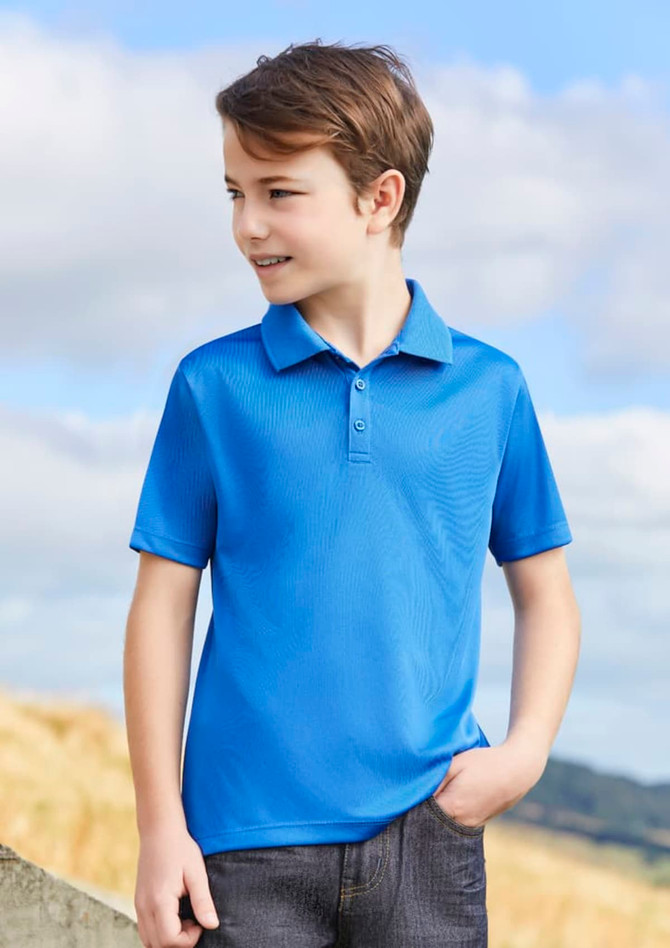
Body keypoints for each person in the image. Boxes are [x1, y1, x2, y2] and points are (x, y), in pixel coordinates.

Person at [124, 39, 581, 948]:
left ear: (381, 199)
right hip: (240, 850)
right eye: (234, 193)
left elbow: (547, 593)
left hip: (429, 838)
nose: (247, 224)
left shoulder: (491, 390)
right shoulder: (213, 386)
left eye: (279, 192)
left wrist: (522, 754)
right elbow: (161, 608)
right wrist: (158, 826)